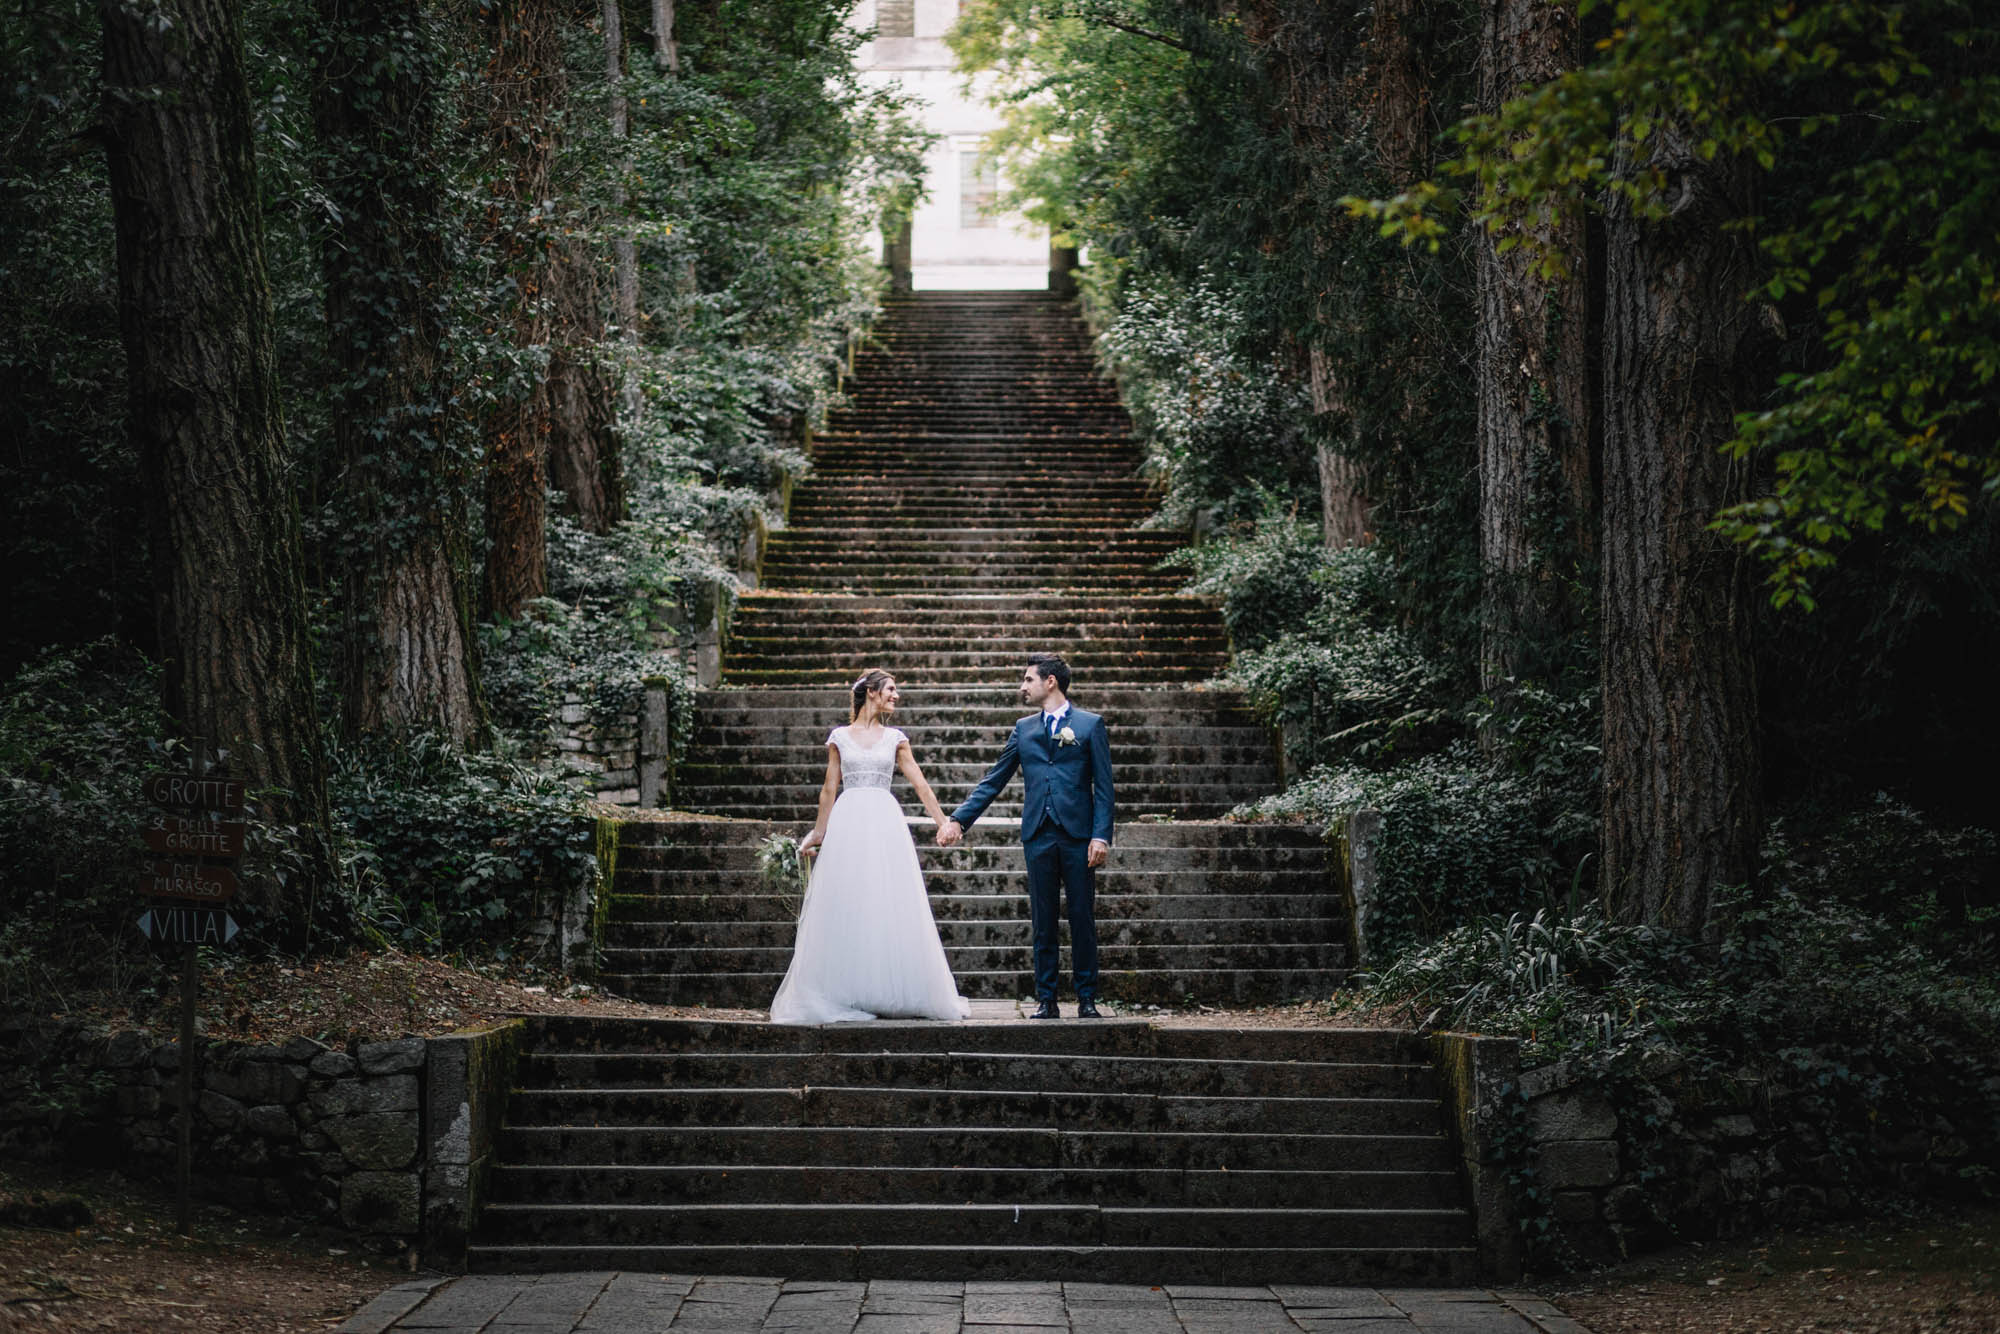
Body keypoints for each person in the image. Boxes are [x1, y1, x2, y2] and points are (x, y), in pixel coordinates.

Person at [768, 669, 970, 1024]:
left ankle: (890, 987)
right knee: (850, 901)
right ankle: (848, 989)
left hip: (884, 822)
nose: (897, 696)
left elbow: (920, 783)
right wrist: (818, 833)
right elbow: (830, 788)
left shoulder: (895, 738)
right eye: (891, 689)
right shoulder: (840, 737)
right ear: (873, 692)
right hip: (848, 823)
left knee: (886, 898)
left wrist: (943, 822)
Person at [937, 654, 1115, 1019]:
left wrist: (1101, 836)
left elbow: (1105, 789)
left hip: (1079, 838)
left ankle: (1086, 999)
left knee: (1082, 917)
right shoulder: (1023, 729)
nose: (1022, 687)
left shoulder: (1089, 725)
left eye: (1028, 679)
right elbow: (994, 780)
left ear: (1051, 682)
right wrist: (958, 820)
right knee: (1043, 920)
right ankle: (1046, 999)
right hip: (1038, 836)